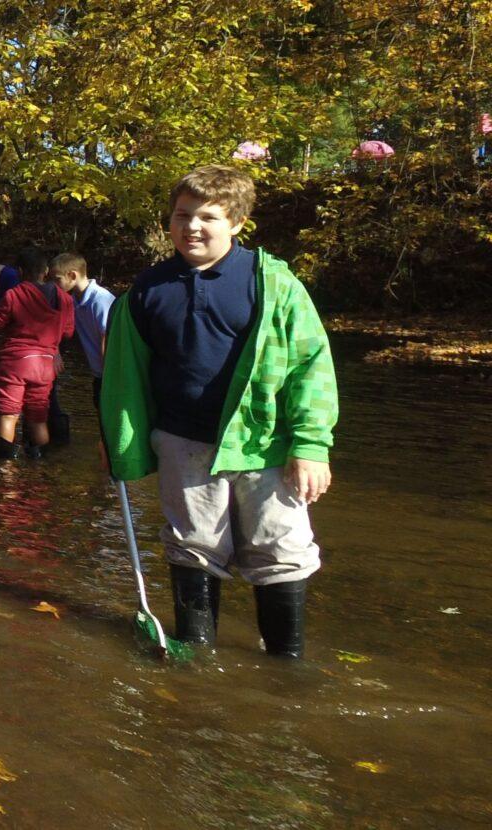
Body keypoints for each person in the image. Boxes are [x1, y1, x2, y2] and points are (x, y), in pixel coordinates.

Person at [101, 165, 336, 658]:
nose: (192, 227)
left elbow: (311, 367)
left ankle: (284, 667)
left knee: (281, 552)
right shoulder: (146, 291)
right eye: (182, 215)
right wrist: (125, 448)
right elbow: (126, 378)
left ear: (237, 221)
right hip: (183, 444)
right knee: (193, 545)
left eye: (208, 216)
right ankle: (196, 654)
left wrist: (311, 446)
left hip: (266, 444)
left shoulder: (274, 284)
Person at [0, 251, 73, 459]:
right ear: (45, 272)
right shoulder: (65, 299)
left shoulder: (14, 295)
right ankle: (40, 465)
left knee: (9, 415)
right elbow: (68, 331)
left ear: (20, 272)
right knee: (38, 417)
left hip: (15, 364)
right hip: (45, 366)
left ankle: (5, 467)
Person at [51, 252, 115, 407]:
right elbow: (55, 328)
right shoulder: (72, 300)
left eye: (57, 279)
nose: (54, 285)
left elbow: (107, 337)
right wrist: (55, 352)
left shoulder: (100, 299)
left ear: (72, 275)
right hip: (99, 375)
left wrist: (109, 378)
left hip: (112, 376)